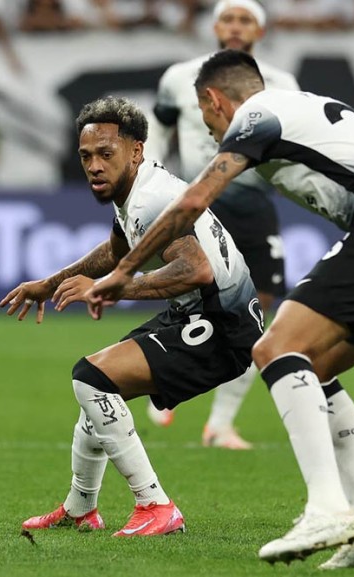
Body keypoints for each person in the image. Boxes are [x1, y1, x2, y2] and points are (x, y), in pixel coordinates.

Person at [86, 50, 354, 568]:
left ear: (214, 100)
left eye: (206, 118)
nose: (210, 132)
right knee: (316, 369)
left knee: (276, 348)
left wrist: (124, 272)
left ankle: (327, 509)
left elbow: (191, 203)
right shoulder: (305, 113)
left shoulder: (258, 116)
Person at [0, 96, 262, 537]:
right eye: (86, 156)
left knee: (91, 379)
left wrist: (111, 289)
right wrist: (50, 283)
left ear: (136, 150)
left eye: (106, 154)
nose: (94, 166)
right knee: (99, 393)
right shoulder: (137, 191)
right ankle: (80, 508)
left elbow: (195, 269)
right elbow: (117, 252)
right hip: (197, 314)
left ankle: (155, 505)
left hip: (222, 325)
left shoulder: (150, 199)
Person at [149, 0, 300, 449]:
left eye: (245, 20)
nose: (235, 27)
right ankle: (162, 381)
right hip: (196, 204)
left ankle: (219, 423)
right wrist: (152, 179)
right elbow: (161, 131)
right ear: (215, 26)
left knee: (259, 309)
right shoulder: (179, 77)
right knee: (191, 302)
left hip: (255, 203)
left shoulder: (283, 83)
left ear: (260, 31)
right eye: (228, 18)